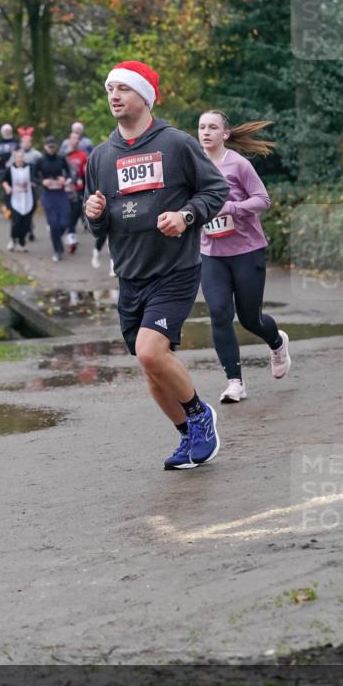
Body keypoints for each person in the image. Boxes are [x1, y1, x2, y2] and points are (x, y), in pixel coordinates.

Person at [84, 60, 229, 470]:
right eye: (110, 88)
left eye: (123, 88)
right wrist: (94, 212)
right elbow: (98, 219)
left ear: (144, 96)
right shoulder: (101, 156)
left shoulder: (176, 143)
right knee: (151, 367)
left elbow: (216, 190)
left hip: (175, 269)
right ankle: (187, 438)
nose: (114, 95)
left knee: (151, 353)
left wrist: (185, 216)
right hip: (130, 273)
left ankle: (201, 417)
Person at [198, 110, 291, 402]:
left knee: (250, 319)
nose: (206, 132)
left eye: (213, 127)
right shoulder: (192, 166)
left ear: (225, 134)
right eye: (201, 127)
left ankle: (277, 342)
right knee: (219, 314)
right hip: (210, 252)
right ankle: (234, 382)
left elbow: (263, 200)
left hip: (246, 250)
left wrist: (231, 208)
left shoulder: (238, 164)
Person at [37, 135, 72, 261]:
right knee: (53, 223)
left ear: (56, 147)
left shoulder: (61, 159)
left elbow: (69, 173)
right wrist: (42, 181)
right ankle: (58, 250)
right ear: (45, 147)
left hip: (61, 194)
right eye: (49, 147)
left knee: (65, 221)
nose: (51, 149)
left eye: (53, 146)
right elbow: (33, 177)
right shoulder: (40, 161)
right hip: (48, 195)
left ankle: (55, 235)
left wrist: (65, 179)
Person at [2, 148, 35, 251]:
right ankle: (13, 239)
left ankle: (22, 242)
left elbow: (35, 178)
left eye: (21, 157)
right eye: (18, 157)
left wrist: (33, 183)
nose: (20, 159)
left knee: (25, 223)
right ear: (14, 158)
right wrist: (7, 187)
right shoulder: (10, 169)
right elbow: (4, 180)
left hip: (27, 198)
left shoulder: (30, 167)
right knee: (16, 221)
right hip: (14, 199)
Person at [64, 129, 89, 253]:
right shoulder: (64, 155)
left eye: (77, 139)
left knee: (74, 213)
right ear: (69, 140)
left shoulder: (83, 155)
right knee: (66, 214)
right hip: (65, 189)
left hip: (78, 189)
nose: (75, 141)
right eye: (73, 138)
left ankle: (70, 233)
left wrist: (84, 176)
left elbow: (86, 171)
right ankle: (70, 235)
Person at [18, 127, 42, 242]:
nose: (26, 144)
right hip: (21, 187)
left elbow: (42, 169)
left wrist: (37, 181)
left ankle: (30, 225)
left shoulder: (37, 155)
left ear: (31, 142)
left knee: (32, 207)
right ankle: (27, 229)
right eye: (24, 141)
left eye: (28, 142)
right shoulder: (18, 155)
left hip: (32, 186)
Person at [0, 123, 18, 217]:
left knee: (15, 188)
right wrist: (1, 160)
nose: (7, 133)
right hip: (2, 169)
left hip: (15, 169)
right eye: (5, 131)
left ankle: (14, 207)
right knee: (6, 189)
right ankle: (7, 207)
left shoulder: (16, 142)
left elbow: (19, 153)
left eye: (9, 131)